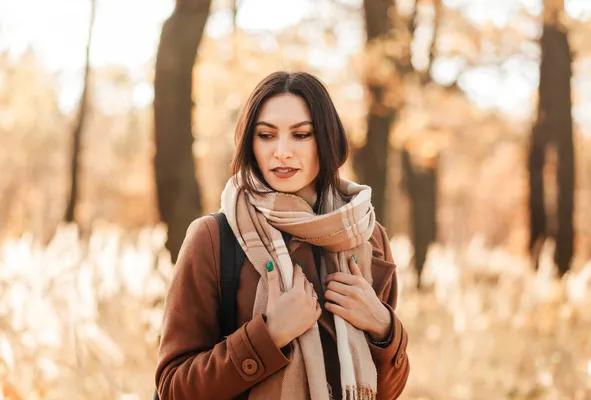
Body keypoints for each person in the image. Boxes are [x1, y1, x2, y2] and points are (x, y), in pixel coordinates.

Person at [155, 71, 409, 400]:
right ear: (250, 143)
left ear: (327, 141)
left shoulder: (368, 236)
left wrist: (383, 329)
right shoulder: (214, 238)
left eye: (301, 135)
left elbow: (385, 393)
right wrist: (268, 336)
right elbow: (174, 387)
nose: (283, 152)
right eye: (266, 135)